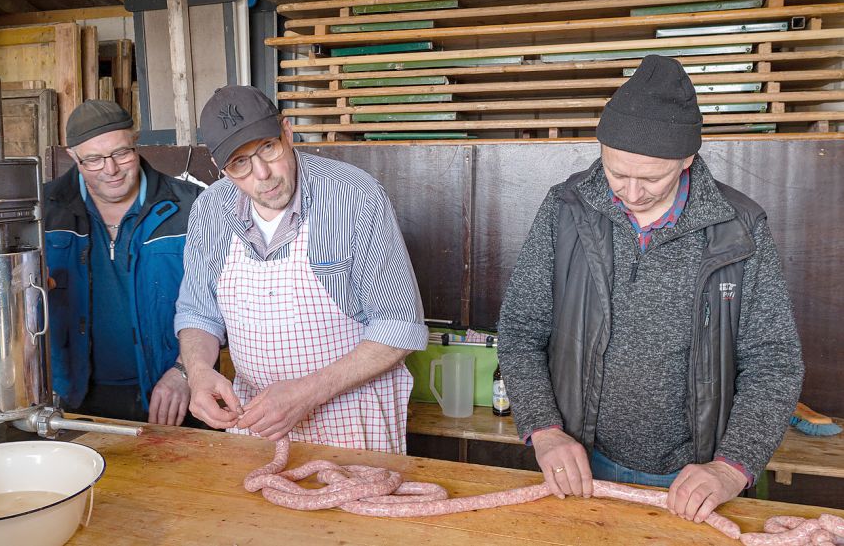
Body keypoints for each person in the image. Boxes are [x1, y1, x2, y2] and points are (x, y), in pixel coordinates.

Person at [497, 55, 803, 523]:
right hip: (579, 461)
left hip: (697, 478)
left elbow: (774, 363)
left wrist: (730, 468)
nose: (632, 193)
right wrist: (545, 430)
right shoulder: (566, 208)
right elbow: (520, 330)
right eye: (618, 173)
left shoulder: (740, 227)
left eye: (652, 178)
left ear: (687, 159)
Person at [173, 85, 427, 454]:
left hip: (352, 420)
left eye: (268, 148)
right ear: (221, 169)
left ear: (287, 133)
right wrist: (197, 373)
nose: (263, 173)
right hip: (253, 421)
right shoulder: (210, 210)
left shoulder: (354, 197)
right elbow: (198, 312)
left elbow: (400, 328)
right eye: (239, 163)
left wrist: (307, 393)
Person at [45, 100, 204, 426]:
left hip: (172, 398)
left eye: (121, 153)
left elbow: (223, 301)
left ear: (136, 141)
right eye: (93, 159)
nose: (110, 169)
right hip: (72, 401)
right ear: (73, 156)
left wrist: (185, 370)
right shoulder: (43, 211)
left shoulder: (192, 208)